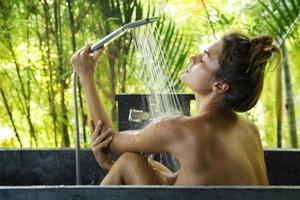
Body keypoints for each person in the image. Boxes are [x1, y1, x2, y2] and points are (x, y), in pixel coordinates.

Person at [71, 32, 281, 185]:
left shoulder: (183, 130)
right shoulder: (249, 131)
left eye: (204, 58)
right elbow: (179, 181)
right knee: (145, 164)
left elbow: (110, 142)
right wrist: (109, 165)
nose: (193, 58)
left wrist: (86, 77)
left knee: (128, 161)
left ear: (220, 85)